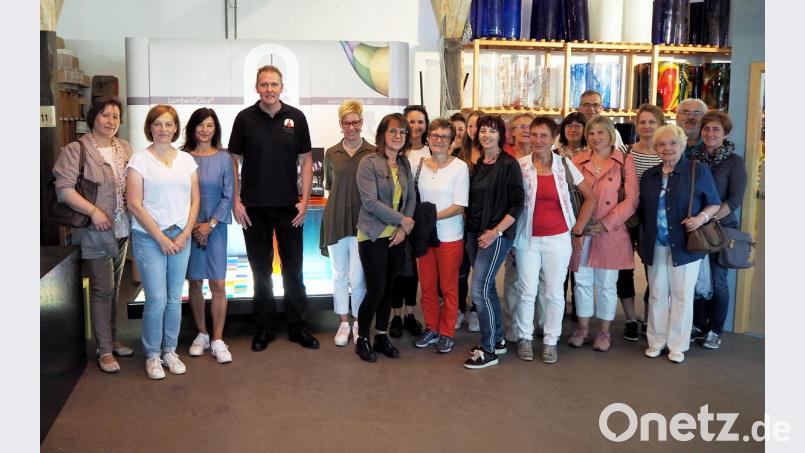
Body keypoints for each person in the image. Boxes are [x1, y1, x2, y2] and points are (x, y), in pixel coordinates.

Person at [228, 65, 320, 352]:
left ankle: (297, 326)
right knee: (261, 270)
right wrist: (235, 200)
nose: (269, 89)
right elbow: (232, 160)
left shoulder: (296, 117)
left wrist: (304, 201)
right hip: (253, 208)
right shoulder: (244, 119)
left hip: (288, 208)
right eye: (264, 84)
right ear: (256, 88)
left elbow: (306, 161)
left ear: (282, 87)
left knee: (294, 269)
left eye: (274, 84)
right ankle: (264, 328)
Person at [53, 96, 134, 373]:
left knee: (114, 289)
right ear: (93, 118)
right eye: (105, 115)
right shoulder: (77, 149)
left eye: (115, 116)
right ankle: (104, 350)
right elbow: (63, 190)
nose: (110, 121)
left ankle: (111, 337)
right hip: (92, 231)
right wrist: (94, 212)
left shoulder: (124, 148)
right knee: (102, 289)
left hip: (121, 228)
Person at [513, 116, 596, 363]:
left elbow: (590, 197)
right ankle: (525, 337)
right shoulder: (520, 166)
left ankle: (551, 340)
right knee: (526, 291)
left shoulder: (565, 165)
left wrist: (578, 228)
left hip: (559, 239)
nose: (538, 141)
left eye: (544, 136)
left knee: (554, 293)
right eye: (534, 135)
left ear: (553, 138)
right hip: (527, 238)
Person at [127, 104, 200, 380]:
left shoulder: (186, 160)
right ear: (150, 127)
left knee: (173, 298)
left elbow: (195, 201)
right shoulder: (139, 160)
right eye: (158, 124)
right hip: (150, 238)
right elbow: (134, 204)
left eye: (169, 124)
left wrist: (183, 234)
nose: (163, 129)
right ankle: (152, 355)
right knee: (156, 299)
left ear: (175, 128)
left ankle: (170, 350)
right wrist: (160, 237)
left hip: (180, 236)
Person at [638, 124, 721, 363]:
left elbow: (713, 203)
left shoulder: (698, 170)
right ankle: (656, 341)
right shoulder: (650, 175)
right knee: (656, 294)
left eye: (673, 143)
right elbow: (644, 210)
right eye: (661, 144)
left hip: (685, 245)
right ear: (655, 148)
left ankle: (677, 344)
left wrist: (700, 218)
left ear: (683, 144)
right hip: (655, 244)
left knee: (682, 295)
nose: (667, 148)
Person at [568, 115, 638, 352]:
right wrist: (578, 224)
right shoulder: (577, 160)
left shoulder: (624, 161)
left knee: (608, 284)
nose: (595, 137)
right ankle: (583, 328)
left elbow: (631, 200)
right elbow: (569, 195)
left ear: (610, 135)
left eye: (600, 132)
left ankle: (605, 331)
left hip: (611, 230)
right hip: (582, 229)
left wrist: (606, 223)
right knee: (582, 281)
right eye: (591, 133)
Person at [354, 113, 417, 362]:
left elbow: (410, 197)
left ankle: (381, 335)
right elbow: (370, 203)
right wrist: (402, 220)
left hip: (397, 238)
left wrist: (404, 230)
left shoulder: (404, 164)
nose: (398, 136)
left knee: (389, 289)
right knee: (376, 289)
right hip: (372, 235)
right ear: (382, 134)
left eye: (402, 132)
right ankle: (362, 339)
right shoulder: (368, 162)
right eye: (393, 131)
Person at [463, 115, 525, 369]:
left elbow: (517, 203)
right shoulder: (479, 163)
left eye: (492, 131)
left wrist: (495, 232)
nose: (486, 135)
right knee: (486, 289)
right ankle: (497, 339)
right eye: (483, 131)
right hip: (474, 233)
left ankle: (488, 350)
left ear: (501, 135)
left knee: (479, 289)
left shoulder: (509, 164)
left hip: (495, 235)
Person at [690, 111, 748, 349]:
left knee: (718, 279)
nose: (710, 133)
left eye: (716, 130)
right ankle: (697, 324)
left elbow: (734, 200)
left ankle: (715, 329)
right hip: (695, 227)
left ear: (725, 133)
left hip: (721, 228)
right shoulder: (692, 157)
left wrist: (708, 219)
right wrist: (698, 220)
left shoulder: (734, 161)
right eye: (707, 129)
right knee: (697, 279)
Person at [182, 108, 235, 364]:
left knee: (218, 284)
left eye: (210, 125)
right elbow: (178, 195)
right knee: (194, 282)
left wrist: (210, 225)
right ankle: (201, 335)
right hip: (188, 228)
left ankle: (217, 339)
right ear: (193, 128)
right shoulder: (182, 157)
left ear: (216, 130)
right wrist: (194, 226)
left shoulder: (225, 158)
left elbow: (229, 194)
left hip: (215, 229)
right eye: (200, 125)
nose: (205, 130)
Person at [412, 118, 470, 354]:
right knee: (426, 287)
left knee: (448, 287)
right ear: (428, 138)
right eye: (435, 135)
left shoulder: (460, 167)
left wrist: (429, 218)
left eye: (444, 137)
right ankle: (432, 328)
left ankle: (446, 332)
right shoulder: (420, 165)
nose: (439, 140)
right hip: (424, 237)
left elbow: (459, 206)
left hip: (450, 237)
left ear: (452, 141)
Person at [320, 100, 374, 347]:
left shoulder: (373, 151)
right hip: (336, 220)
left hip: (363, 222)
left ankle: (359, 322)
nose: (352, 127)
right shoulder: (331, 153)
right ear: (340, 125)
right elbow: (330, 186)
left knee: (358, 276)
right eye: (347, 122)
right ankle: (343, 321)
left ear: (362, 123)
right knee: (339, 274)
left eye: (356, 122)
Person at [618, 104, 665, 342]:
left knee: (652, 270)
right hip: (627, 218)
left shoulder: (665, 152)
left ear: (660, 125)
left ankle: (649, 319)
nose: (646, 126)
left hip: (655, 219)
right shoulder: (626, 151)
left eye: (652, 122)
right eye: (643, 122)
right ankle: (629, 319)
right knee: (624, 269)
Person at [388, 105, 429, 339]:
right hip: (396, 216)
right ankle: (395, 315)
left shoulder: (432, 151)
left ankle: (411, 314)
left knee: (412, 270)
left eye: (420, 122)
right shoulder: (396, 152)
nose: (415, 127)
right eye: (410, 122)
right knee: (396, 268)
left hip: (419, 219)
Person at [501, 113, 535, 344]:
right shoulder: (505, 158)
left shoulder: (543, 156)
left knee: (537, 280)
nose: (525, 130)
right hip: (512, 224)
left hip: (538, 225)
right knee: (513, 278)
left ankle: (536, 323)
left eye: (529, 126)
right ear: (511, 131)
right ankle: (512, 325)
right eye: (520, 126)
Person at [455, 110, 484, 332]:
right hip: (458, 220)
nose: (475, 131)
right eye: (471, 126)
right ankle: (457, 308)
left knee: (480, 268)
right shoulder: (457, 153)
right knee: (461, 268)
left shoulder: (492, 155)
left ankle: (476, 309)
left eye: (480, 127)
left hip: (481, 221)